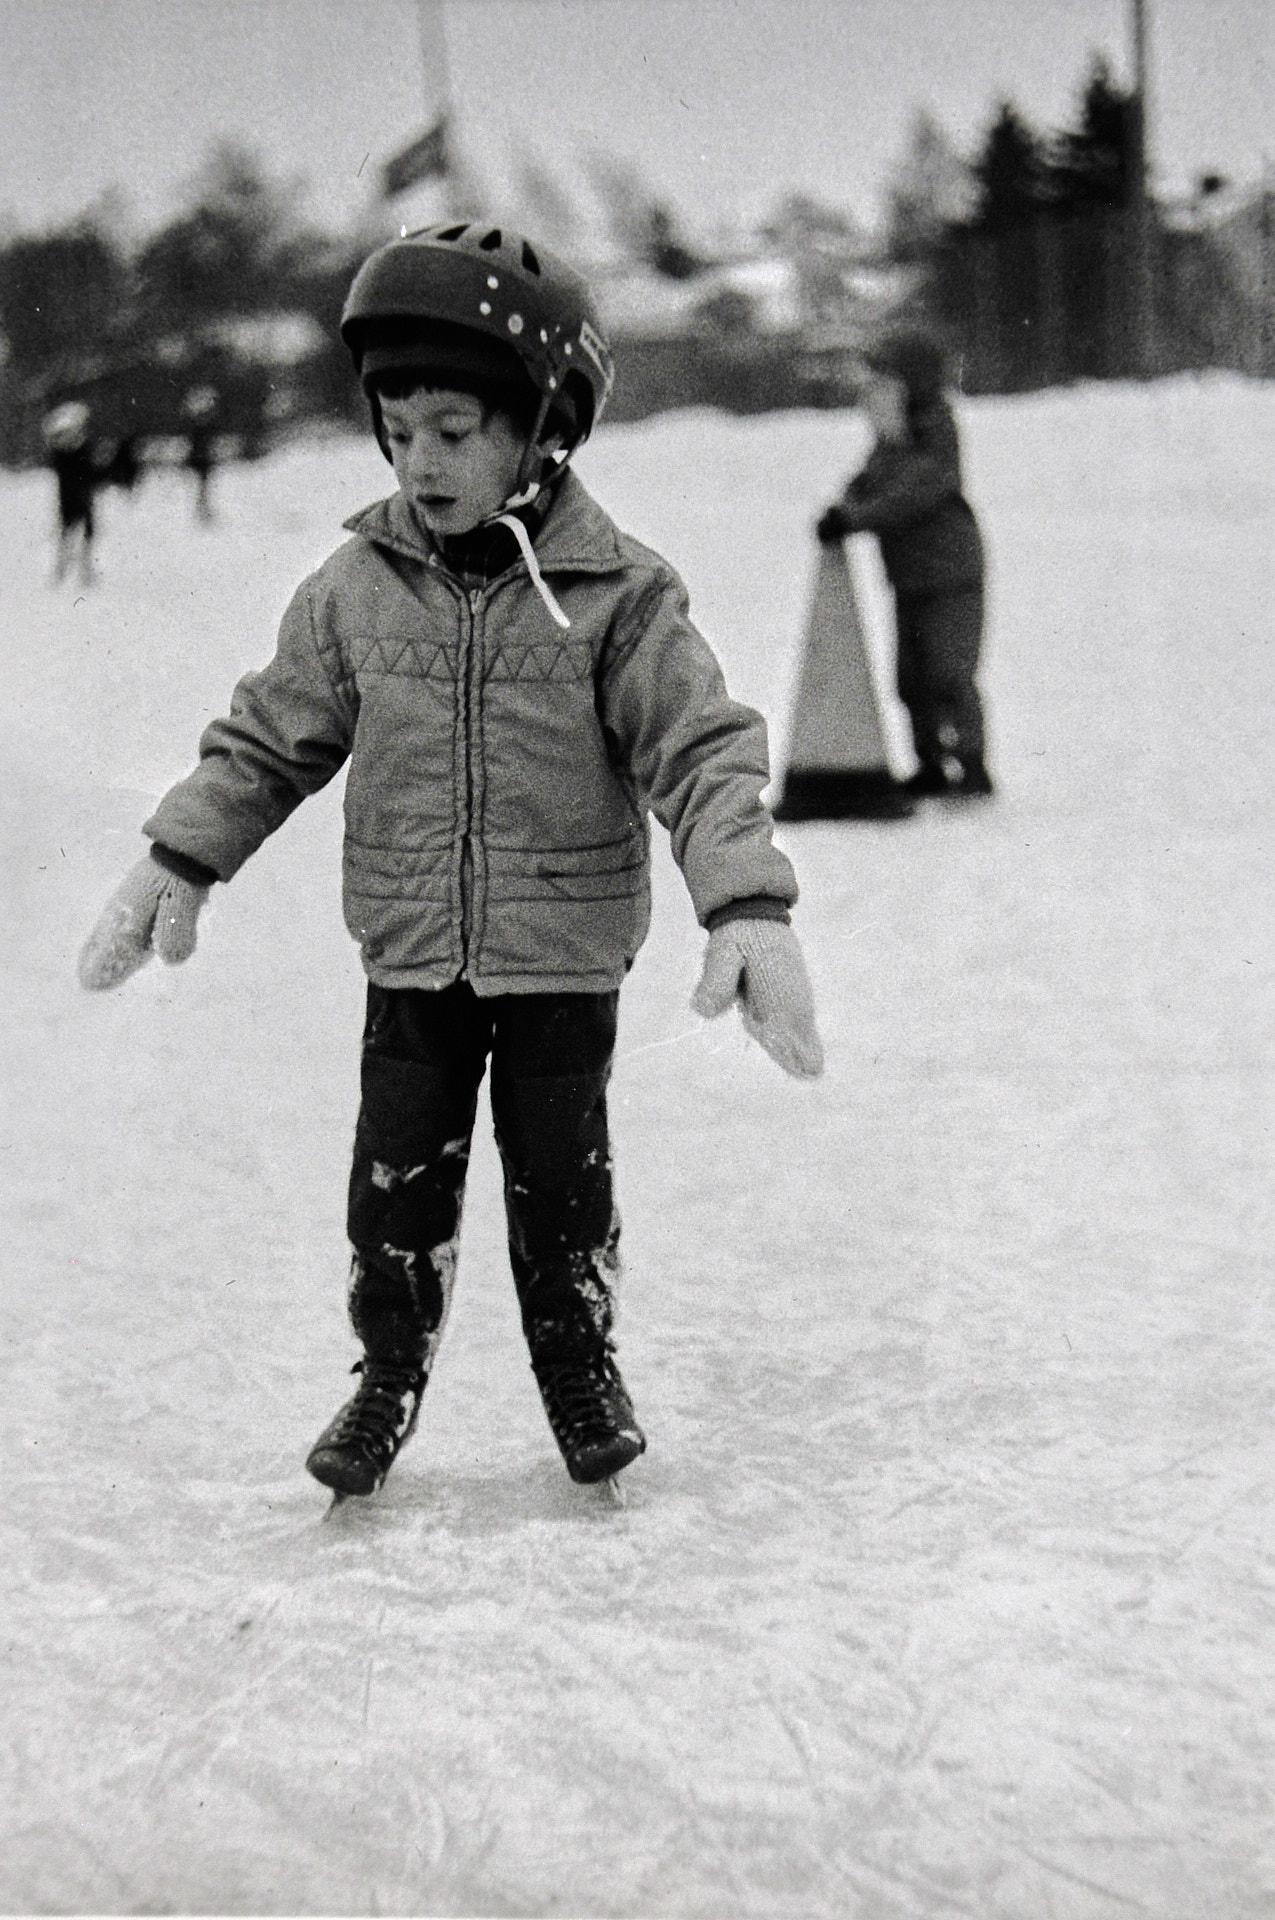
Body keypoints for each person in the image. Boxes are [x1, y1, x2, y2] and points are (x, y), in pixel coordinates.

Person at [77, 223, 824, 1504]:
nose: (420, 459)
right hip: (414, 951)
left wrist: (745, 904)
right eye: (399, 427)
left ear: (544, 429)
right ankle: (385, 1376)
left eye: (456, 429)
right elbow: (266, 740)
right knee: (394, 1187)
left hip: (563, 956)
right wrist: (178, 857)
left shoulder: (620, 595)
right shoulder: (356, 589)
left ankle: (582, 1369)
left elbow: (700, 751)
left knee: (562, 1189)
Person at [816, 322, 993, 798]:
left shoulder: (936, 432)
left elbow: (913, 493)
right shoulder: (894, 436)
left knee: (949, 673)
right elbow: (872, 479)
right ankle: (930, 763)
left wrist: (854, 517)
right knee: (910, 678)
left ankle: (972, 763)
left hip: (950, 576)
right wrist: (848, 502)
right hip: (910, 579)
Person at [43, 400, 100, 587]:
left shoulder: (65, 451)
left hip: (73, 496)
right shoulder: (76, 451)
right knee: (77, 536)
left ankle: (70, 572)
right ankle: (75, 572)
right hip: (77, 496)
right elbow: (89, 472)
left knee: (73, 535)